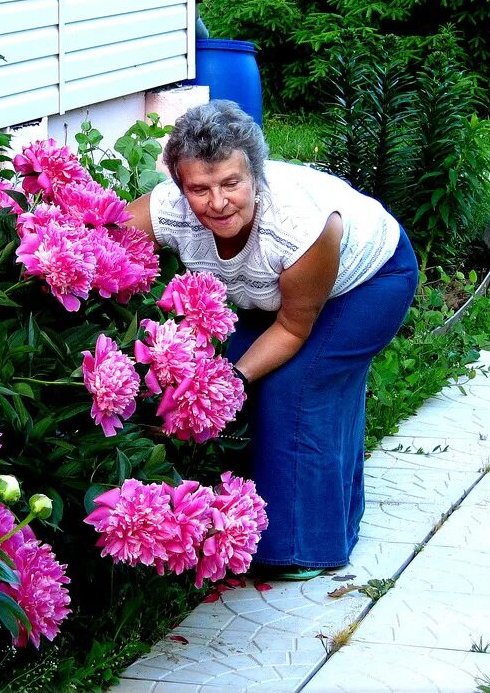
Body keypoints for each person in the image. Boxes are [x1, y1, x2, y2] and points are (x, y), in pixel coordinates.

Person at [125, 100, 419, 578]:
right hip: (272, 297)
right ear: (180, 187)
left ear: (255, 176)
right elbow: (101, 240)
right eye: (199, 188)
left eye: (231, 183)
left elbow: (292, 328)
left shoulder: (298, 226)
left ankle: (299, 549)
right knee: (225, 370)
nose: (217, 203)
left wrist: (225, 383)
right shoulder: (170, 211)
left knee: (294, 388)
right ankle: (325, 512)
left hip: (370, 281)